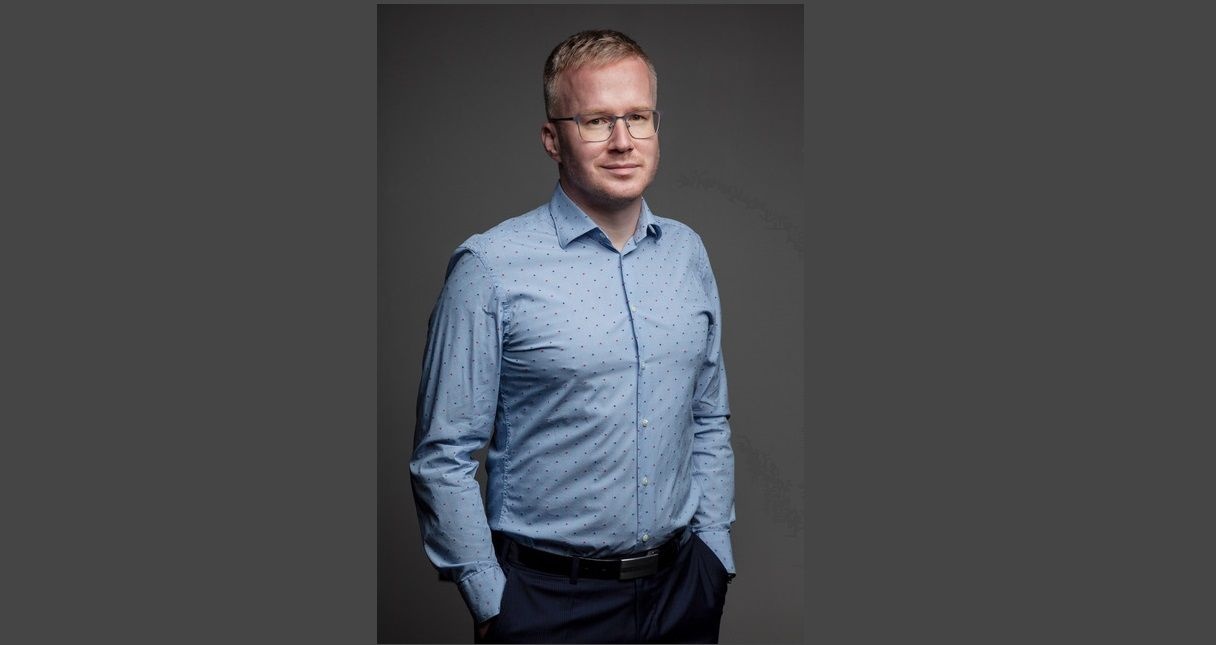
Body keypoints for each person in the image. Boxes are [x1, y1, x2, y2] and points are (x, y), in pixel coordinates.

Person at [410, 29, 736, 644]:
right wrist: (491, 601)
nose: (623, 141)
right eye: (596, 121)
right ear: (552, 139)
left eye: (638, 116)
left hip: (682, 593)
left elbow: (707, 414)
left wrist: (714, 553)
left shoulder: (687, 254)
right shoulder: (490, 268)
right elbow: (443, 455)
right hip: (548, 605)